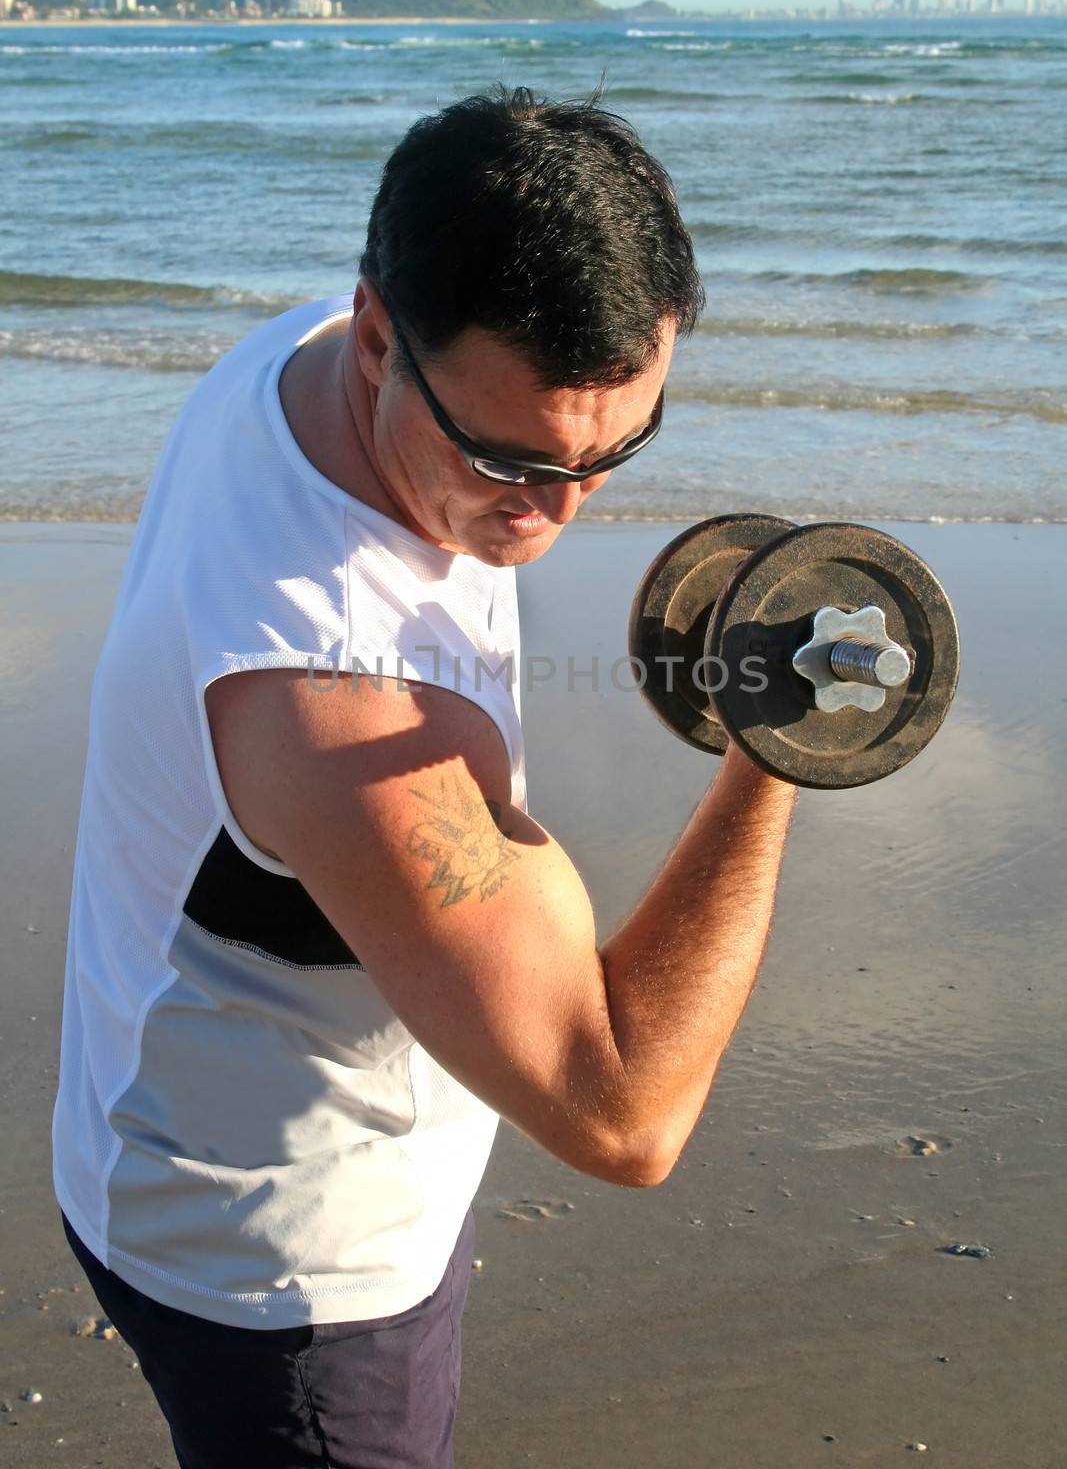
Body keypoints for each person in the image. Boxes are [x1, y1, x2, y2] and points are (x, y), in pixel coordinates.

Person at [52, 85, 796, 1468]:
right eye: (513, 460)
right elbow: (625, 1112)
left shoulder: (307, 358)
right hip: (284, 1268)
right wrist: (778, 752)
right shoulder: (341, 715)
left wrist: (504, 461)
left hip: (150, 1110)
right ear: (385, 336)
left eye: (613, 453)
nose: (562, 512)